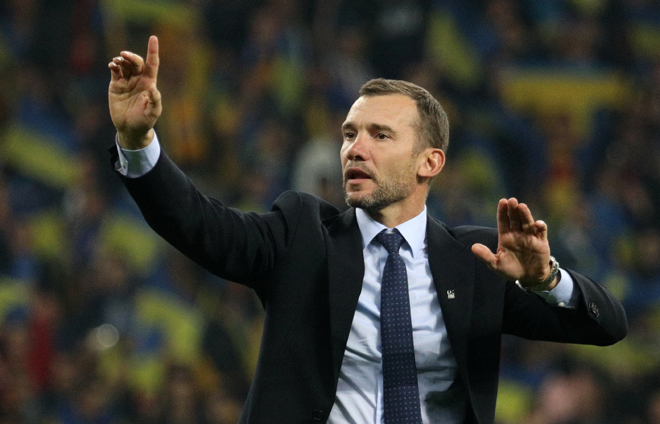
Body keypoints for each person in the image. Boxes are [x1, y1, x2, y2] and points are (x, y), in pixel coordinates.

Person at [107, 36, 627, 424]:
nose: (355, 149)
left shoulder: (478, 260)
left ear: (429, 162)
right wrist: (138, 142)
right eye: (349, 134)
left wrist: (546, 279)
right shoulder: (301, 236)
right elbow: (197, 223)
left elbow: (607, 327)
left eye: (380, 135)